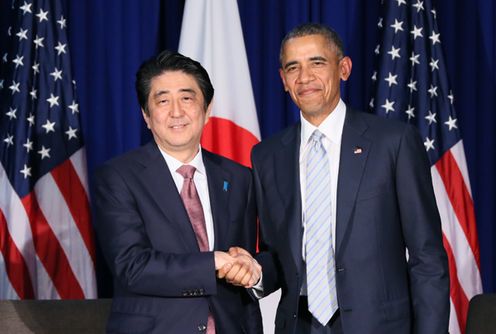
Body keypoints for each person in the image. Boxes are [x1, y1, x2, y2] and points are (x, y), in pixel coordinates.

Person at [234, 23, 450, 333]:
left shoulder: (394, 142)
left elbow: (427, 256)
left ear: (344, 68)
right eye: (293, 67)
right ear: (283, 80)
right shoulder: (266, 156)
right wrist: (253, 270)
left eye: (317, 63)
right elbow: (278, 258)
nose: (304, 77)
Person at [93, 50, 262, 334]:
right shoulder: (117, 177)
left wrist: (251, 267)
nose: (176, 112)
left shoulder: (239, 177)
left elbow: (246, 256)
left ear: (207, 109)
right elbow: (132, 266)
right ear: (146, 116)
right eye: (162, 101)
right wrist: (213, 262)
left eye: (187, 98)